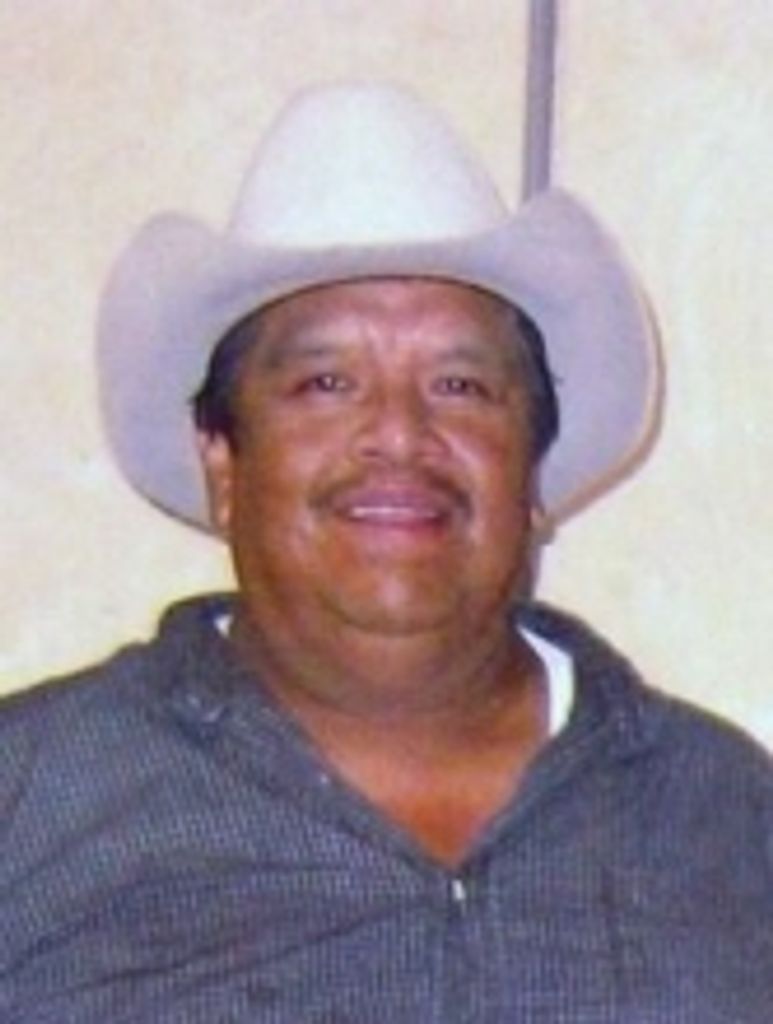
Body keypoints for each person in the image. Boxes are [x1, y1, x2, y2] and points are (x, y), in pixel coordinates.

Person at [1, 81, 770, 1023]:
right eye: (326, 383)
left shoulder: (724, 814)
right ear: (223, 460)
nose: (400, 436)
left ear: (532, 467)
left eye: (460, 385)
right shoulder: (30, 798)